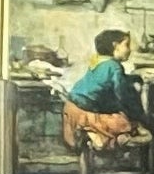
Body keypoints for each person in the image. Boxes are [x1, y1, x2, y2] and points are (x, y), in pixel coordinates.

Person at [59, 29, 148, 159]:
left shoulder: (98, 61)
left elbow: (107, 79)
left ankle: (93, 135)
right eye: (126, 45)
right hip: (87, 112)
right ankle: (97, 137)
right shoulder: (115, 66)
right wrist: (137, 115)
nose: (129, 50)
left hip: (72, 108)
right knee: (126, 123)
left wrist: (132, 78)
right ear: (115, 46)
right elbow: (122, 95)